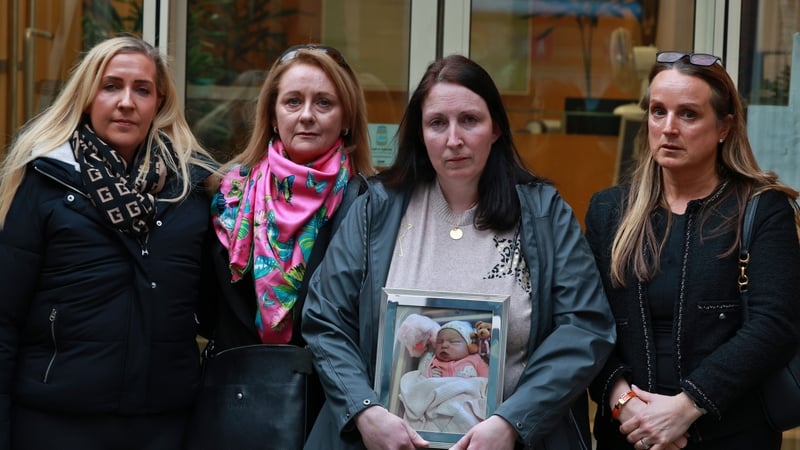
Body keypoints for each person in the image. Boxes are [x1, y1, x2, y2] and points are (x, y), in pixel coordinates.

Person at [302, 53, 616, 450]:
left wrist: (512, 422)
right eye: (437, 123)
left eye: (470, 120)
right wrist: (364, 411)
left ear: (496, 127)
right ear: (420, 132)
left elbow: (585, 326)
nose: (454, 139)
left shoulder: (543, 213)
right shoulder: (374, 208)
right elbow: (324, 318)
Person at [0, 36, 218, 450]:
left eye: (142, 89)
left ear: (159, 103)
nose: (126, 102)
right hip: (55, 422)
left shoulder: (190, 194)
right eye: (111, 86)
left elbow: (211, 311)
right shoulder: (43, 183)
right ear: (87, 98)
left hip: (163, 424)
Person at [585, 51, 800, 450]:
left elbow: (775, 325)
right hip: (628, 434)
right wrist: (625, 405)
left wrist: (686, 407)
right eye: (657, 111)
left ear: (724, 127)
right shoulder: (609, 211)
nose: (668, 128)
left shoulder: (760, 209)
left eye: (688, 114)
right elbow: (587, 324)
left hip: (730, 433)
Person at [192, 44, 374, 449]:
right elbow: (202, 307)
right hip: (235, 410)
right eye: (293, 101)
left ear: (346, 118)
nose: (306, 114)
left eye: (324, 102)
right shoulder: (224, 195)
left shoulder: (372, 205)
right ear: (273, 115)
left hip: (332, 418)